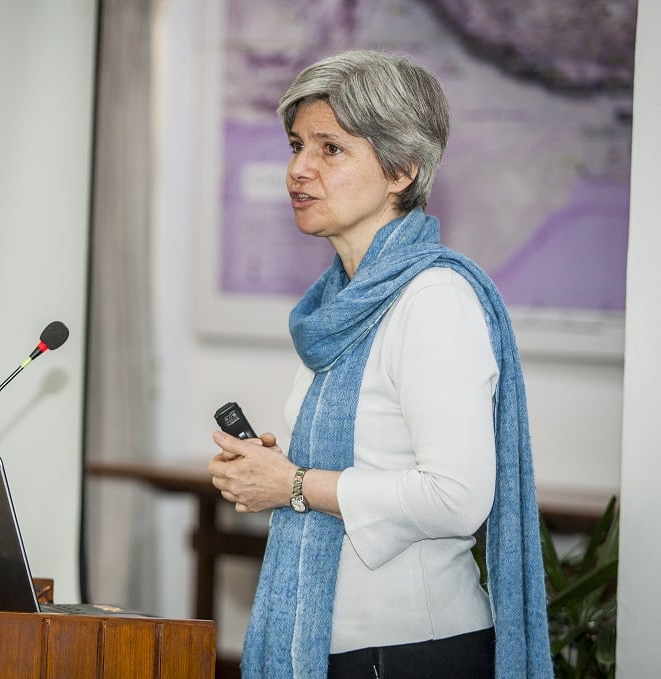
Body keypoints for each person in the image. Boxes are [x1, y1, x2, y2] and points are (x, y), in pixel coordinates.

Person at [207, 49, 552, 678]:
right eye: (295, 145)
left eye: (330, 149)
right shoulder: (339, 302)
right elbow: (375, 455)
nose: (298, 170)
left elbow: (456, 497)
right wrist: (277, 467)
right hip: (350, 649)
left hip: (410, 654)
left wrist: (290, 485)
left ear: (401, 170)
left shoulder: (433, 299)